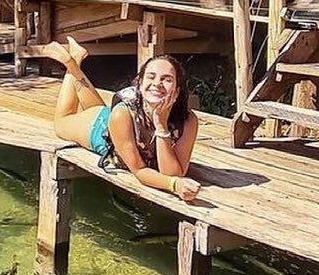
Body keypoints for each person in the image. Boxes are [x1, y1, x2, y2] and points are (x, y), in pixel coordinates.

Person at [44, 36, 201, 203]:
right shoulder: (121, 115)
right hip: (100, 128)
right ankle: (71, 63)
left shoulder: (188, 120)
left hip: (116, 119)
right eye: (151, 77)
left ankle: (76, 59)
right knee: (61, 123)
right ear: (140, 84)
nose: (157, 83)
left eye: (167, 79)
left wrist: (161, 126)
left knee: (97, 108)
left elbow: (173, 173)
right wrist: (174, 185)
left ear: (177, 90)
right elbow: (141, 171)